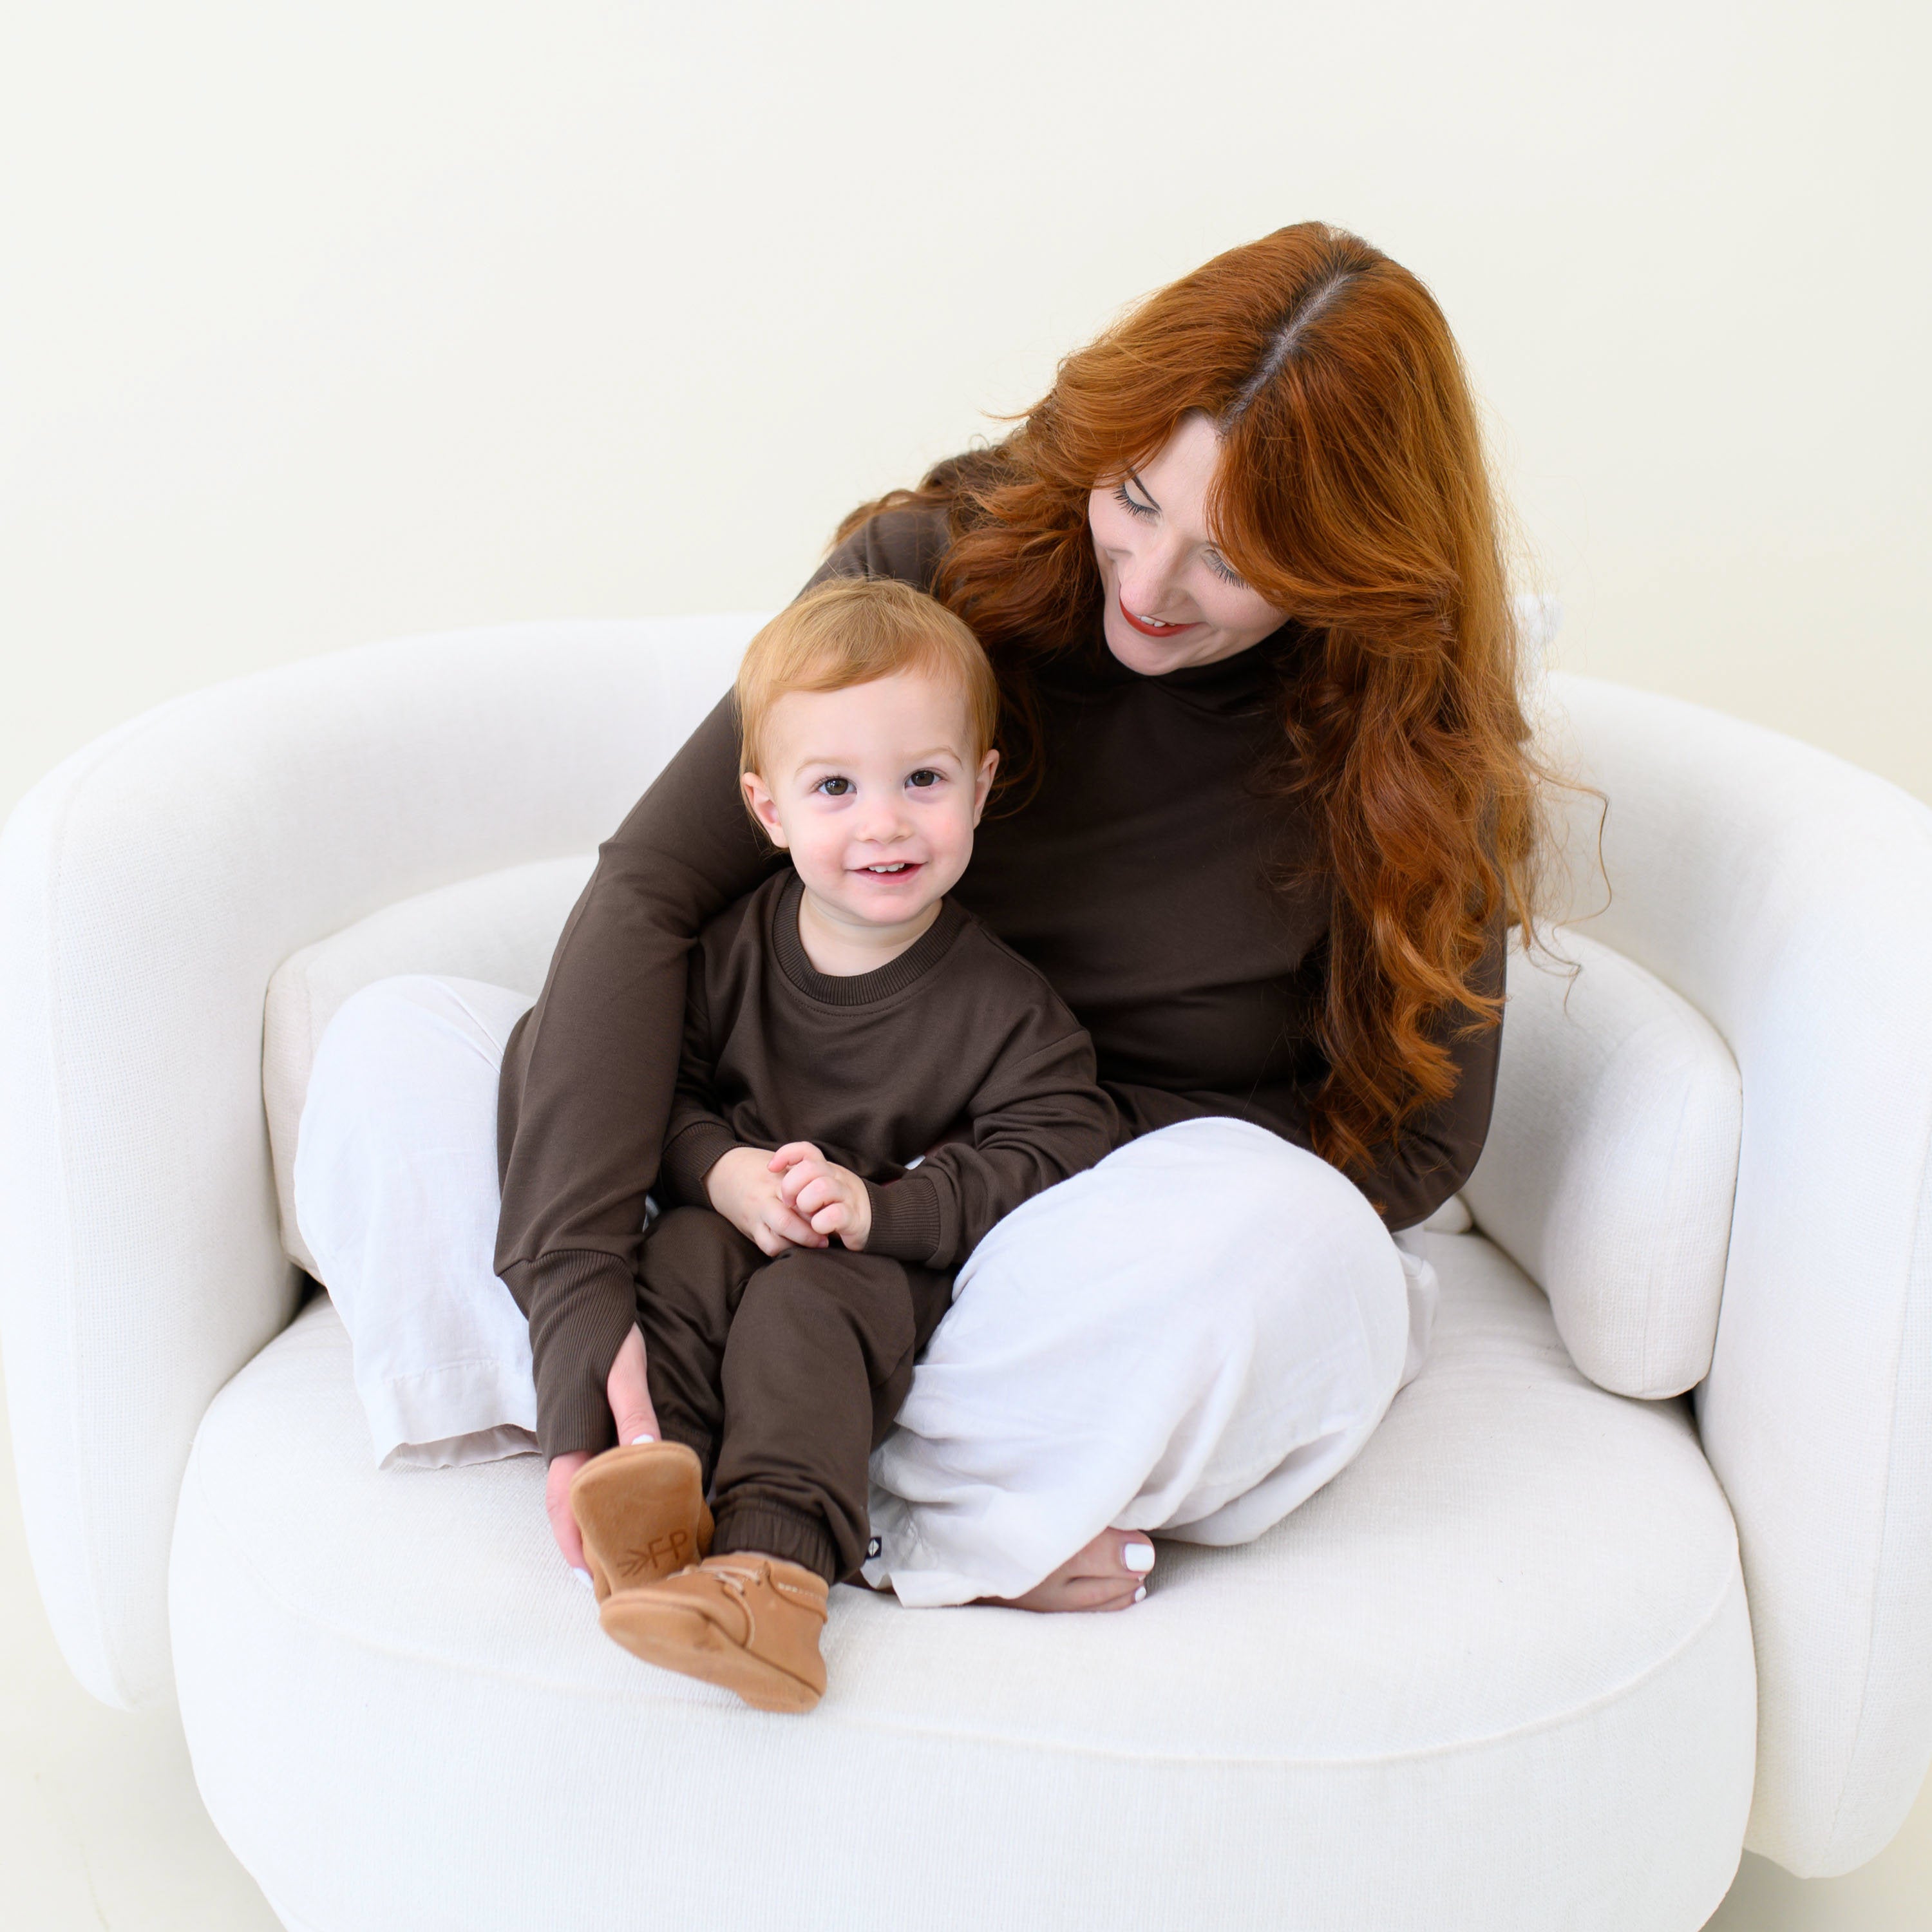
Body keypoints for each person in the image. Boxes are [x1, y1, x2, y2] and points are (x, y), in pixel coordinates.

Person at [304, 219, 1539, 1624]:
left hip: (1049, 1252)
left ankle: (828, 1491)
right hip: (755, 1177)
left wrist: (956, 1219)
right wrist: (587, 1287)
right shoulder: (937, 571)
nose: (1147, 586)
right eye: (1135, 499)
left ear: (1350, 566)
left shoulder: (1415, 760)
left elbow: (1418, 1145)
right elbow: (652, 890)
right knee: (400, 1050)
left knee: (1297, 1245)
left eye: (1232, 562)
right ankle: (659, 1427)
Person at [567, 576, 1118, 1711]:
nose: (883, 823)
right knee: (677, 1267)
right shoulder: (727, 954)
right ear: (767, 812)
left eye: (923, 779)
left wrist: (886, 1209)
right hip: (743, 1223)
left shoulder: (999, 1003)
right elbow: (652, 1091)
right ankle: (657, 1515)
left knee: (802, 1310)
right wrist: (720, 1173)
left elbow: (1064, 1134)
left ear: (982, 786)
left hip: (884, 1271)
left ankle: (776, 1579)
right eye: (835, 787)